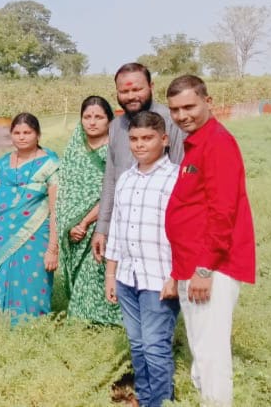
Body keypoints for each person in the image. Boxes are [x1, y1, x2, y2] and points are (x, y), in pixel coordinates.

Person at [164, 75, 255, 406]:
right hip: (193, 265)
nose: (182, 115)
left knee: (212, 355)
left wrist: (204, 269)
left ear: (208, 102)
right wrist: (180, 271)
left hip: (212, 266)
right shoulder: (196, 143)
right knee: (201, 351)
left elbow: (222, 212)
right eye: (175, 109)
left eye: (189, 106)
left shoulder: (217, 143)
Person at [103, 111, 180, 407]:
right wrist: (111, 275)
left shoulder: (175, 179)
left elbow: (184, 235)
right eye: (134, 139)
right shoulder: (126, 178)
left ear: (164, 139)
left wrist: (176, 276)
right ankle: (145, 398)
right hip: (127, 277)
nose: (139, 145)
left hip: (159, 278)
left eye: (147, 138)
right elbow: (118, 230)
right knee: (137, 345)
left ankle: (160, 402)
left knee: (155, 347)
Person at [92, 63, 186, 265]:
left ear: (151, 86)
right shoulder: (116, 125)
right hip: (124, 229)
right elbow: (111, 179)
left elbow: (181, 176)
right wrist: (102, 227)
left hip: (160, 230)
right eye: (124, 91)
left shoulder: (170, 120)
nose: (131, 96)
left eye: (137, 89)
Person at [56, 96, 123, 325]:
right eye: (87, 117)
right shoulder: (75, 146)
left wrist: (85, 222)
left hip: (104, 222)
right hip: (73, 226)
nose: (92, 122)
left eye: (98, 117)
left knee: (95, 271)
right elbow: (67, 186)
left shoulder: (117, 147)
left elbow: (112, 188)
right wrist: (70, 224)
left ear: (109, 120)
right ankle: (86, 325)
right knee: (80, 275)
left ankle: (103, 322)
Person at [0, 113, 59, 323]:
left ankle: (34, 330)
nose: (22, 137)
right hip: (3, 236)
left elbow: (56, 208)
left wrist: (53, 249)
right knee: (4, 281)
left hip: (36, 235)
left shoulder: (50, 164)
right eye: (17, 133)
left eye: (27, 132)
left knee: (33, 284)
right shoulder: (2, 164)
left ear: (37, 134)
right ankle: (3, 330)